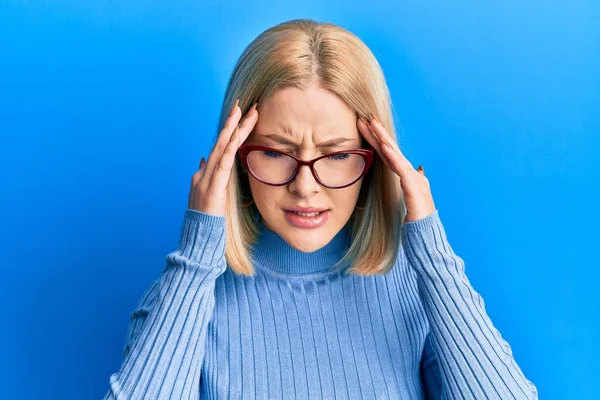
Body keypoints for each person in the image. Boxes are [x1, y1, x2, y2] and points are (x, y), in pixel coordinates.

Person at [103, 19, 538, 399]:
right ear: (235, 156)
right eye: (276, 152)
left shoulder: (416, 291)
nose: (305, 187)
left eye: (336, 155)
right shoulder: (186, 296)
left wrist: (431, 252)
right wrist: (198, 254)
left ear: (375, 161)